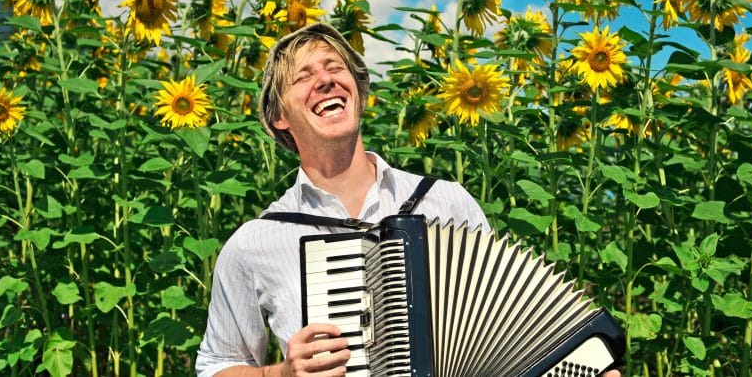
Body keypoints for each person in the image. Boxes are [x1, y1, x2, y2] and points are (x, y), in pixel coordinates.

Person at [196, 23, 620, 377]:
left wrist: (584, 366)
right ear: (279, 116)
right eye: (303, 77)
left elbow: (515, 333)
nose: (325, 79)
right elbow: (216, 364)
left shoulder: (445, 202)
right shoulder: (256, 243)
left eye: (334, 68)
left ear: (358, 91)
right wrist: (279, 373)